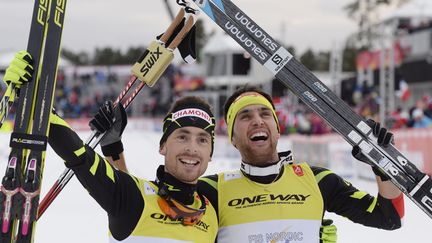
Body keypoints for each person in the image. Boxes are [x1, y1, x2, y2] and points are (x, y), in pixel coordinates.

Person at [5, 52, 218, 242]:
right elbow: (81, 157)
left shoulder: (215, 210)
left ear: (211, 153)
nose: (192, 148)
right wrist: (34, 96)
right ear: (162, 146)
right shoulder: (133, 197)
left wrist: (113, 145)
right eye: (182, 137)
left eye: (202, 139)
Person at [196, 86, 404, 242]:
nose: (257, 121)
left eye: (265, 114)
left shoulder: (317, 180)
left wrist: (383, 166)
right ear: (232, 137)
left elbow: (389, 218)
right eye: (245, 116)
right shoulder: (210, 191)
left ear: (277, 130)